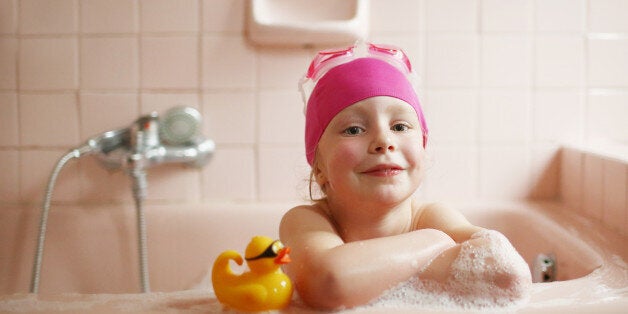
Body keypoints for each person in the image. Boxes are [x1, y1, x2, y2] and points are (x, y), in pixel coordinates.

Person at [279, 42, 531, 310]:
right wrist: (434, 242)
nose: (384, 141)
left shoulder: (431, 216)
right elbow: (329, 283)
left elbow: (508, 273)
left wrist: (375, 274)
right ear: (319, 169)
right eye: (353, 130)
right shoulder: (307, 220)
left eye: (400, 126)